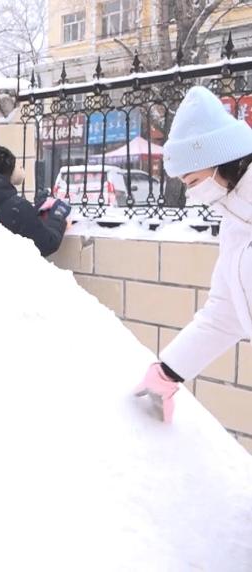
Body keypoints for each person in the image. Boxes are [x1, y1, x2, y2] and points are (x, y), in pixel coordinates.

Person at [134, 86, 252, 423]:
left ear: (218, 161)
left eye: (193, 180)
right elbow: (225, 312)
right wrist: (168, 371)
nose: (192, 192)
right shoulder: (235, 223)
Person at [0, 145, 71, 257]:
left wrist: (33, 213)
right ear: (13, 171)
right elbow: (47, 243)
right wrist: (57, 216)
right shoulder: (17, 208)